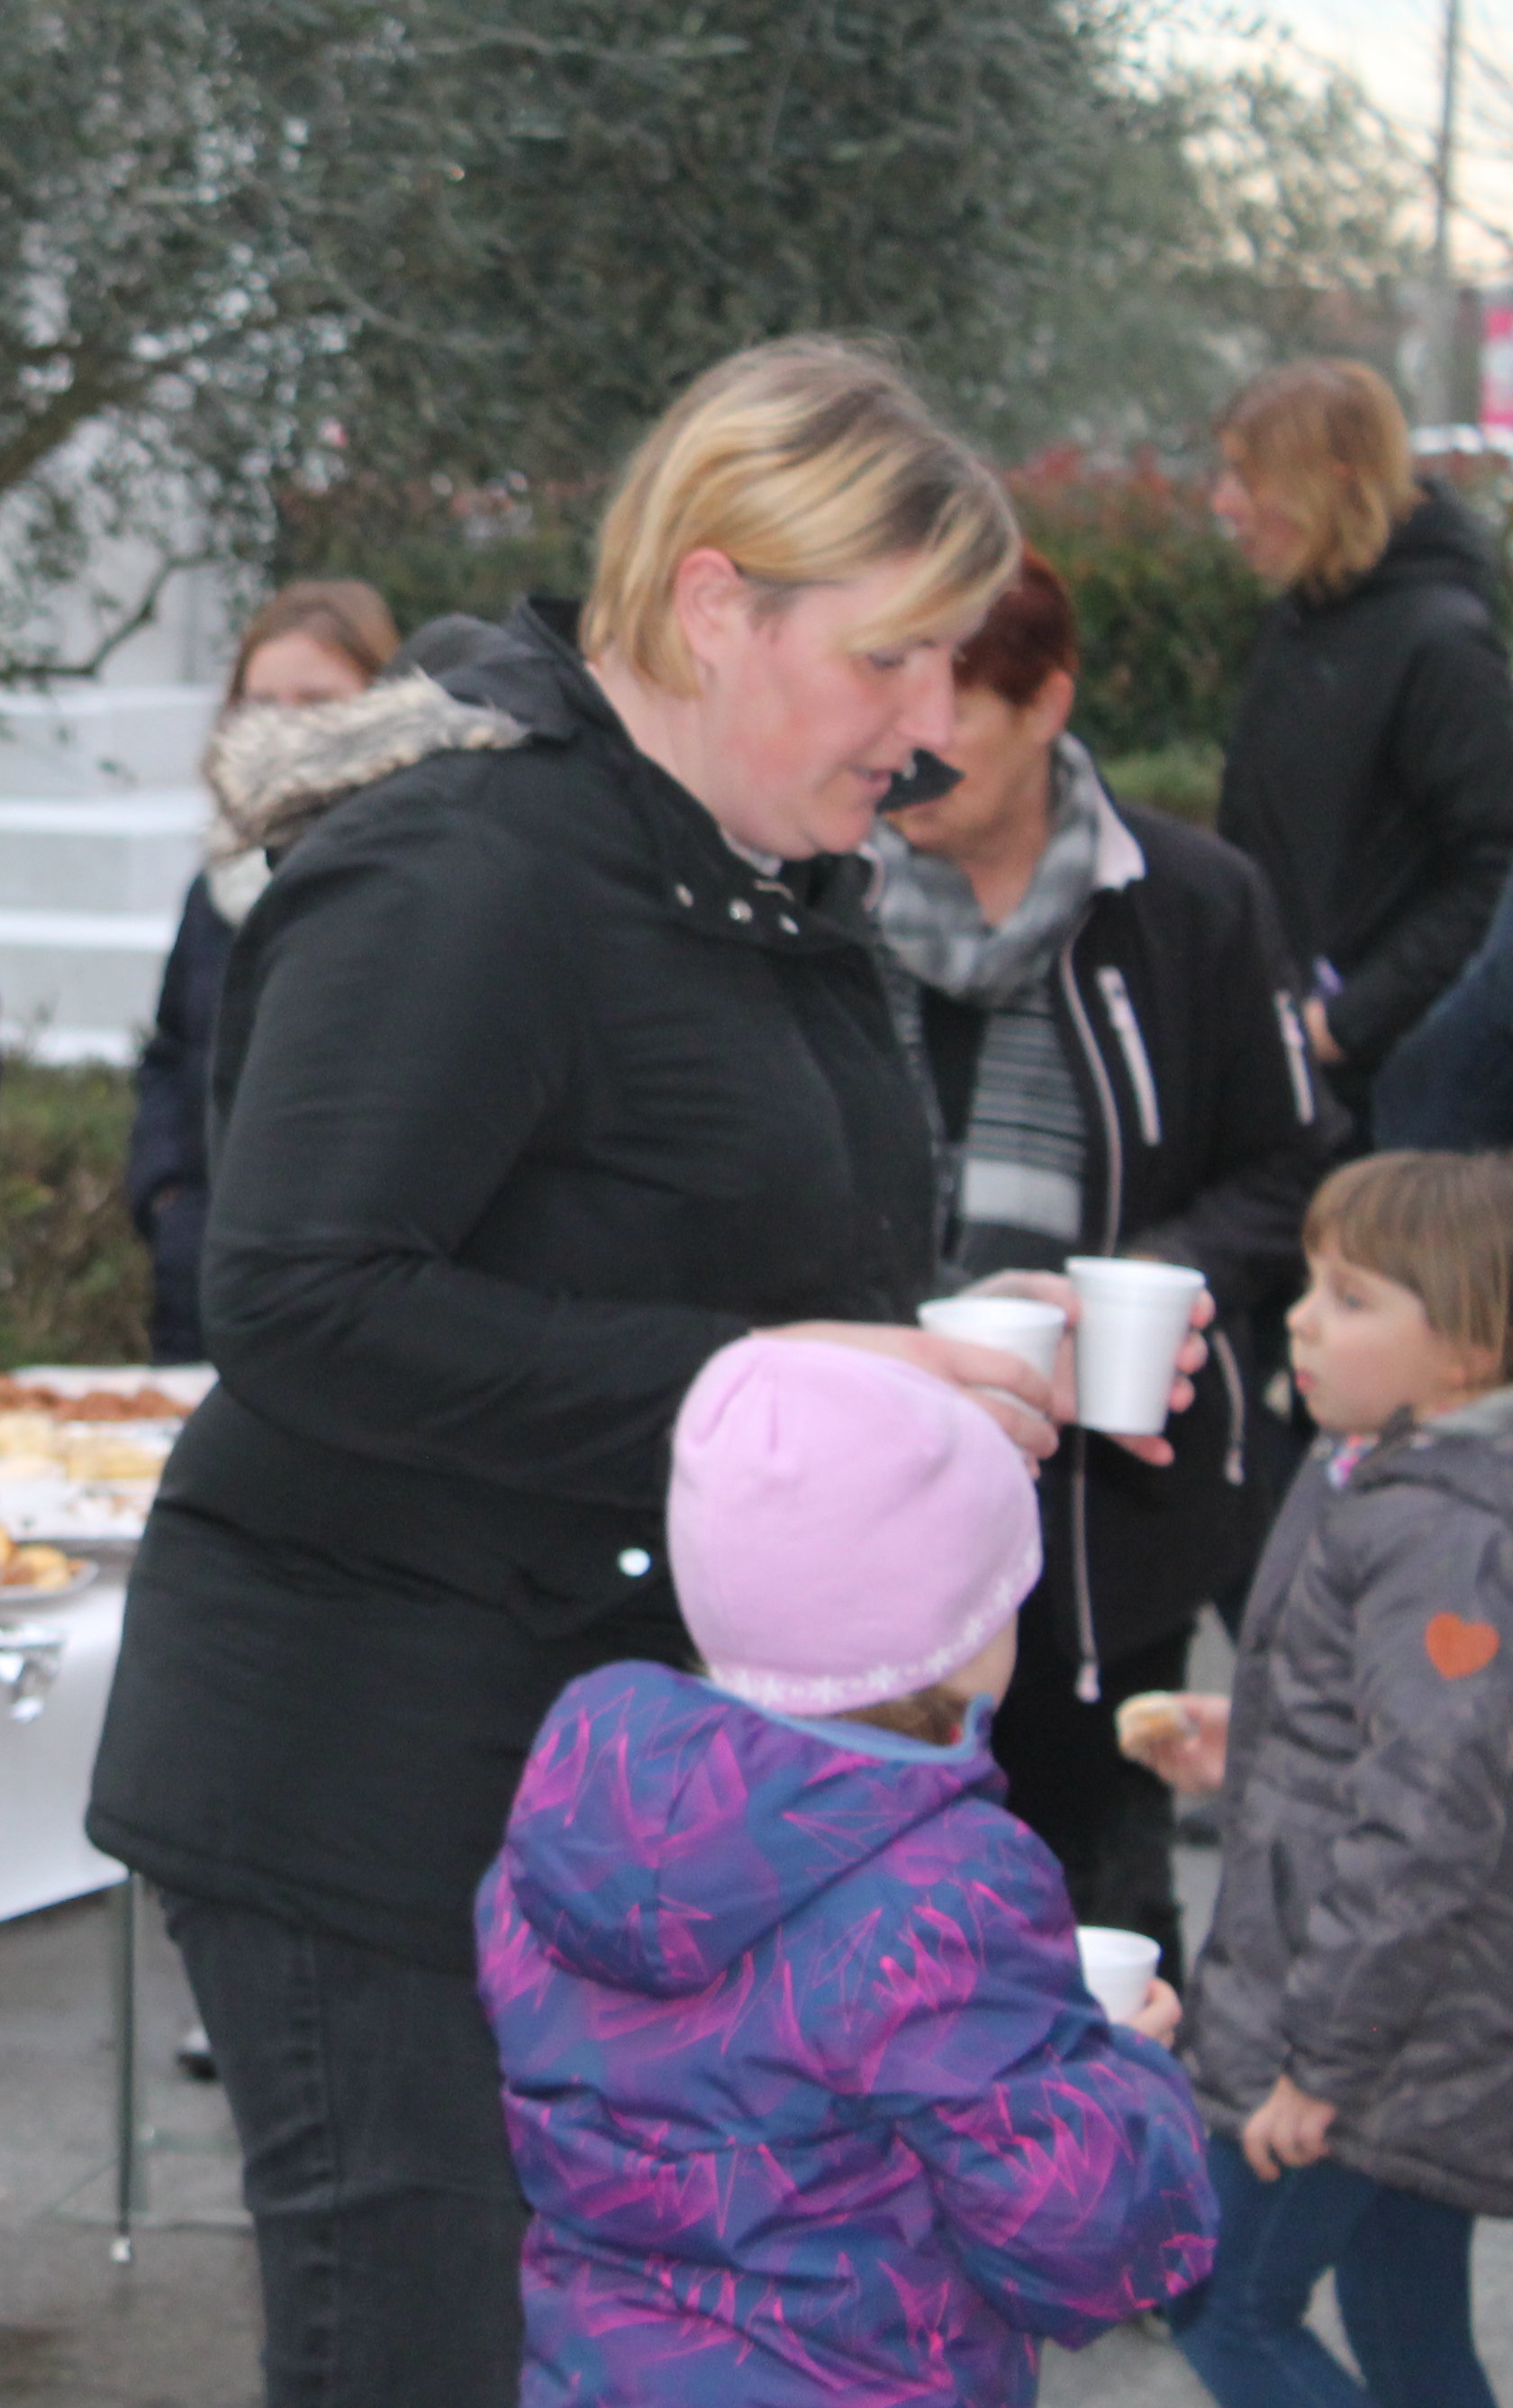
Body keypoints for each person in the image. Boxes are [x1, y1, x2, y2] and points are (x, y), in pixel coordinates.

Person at [86, 337, 1205, 2408]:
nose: (929, 723)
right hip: (370, 1773)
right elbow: (300, 1296)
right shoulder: (465, 868)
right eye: (889, 658)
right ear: (713, 602)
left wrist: (957, 1347)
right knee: (421, 2347)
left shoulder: (754, 874)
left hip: (601, 1772)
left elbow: (701, 1257)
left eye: (950, 663)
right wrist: (758, 1373)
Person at [479, 1336, 1213, 2406]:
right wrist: (1121, 2075)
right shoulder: (949, 1886)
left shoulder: (573, 1817)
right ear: (965, 1632)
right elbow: (1087, 2244)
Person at [867, 548, 1333, 1967]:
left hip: (1104, 1528)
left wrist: (1142, 1279)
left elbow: (1294, 1168)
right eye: (889, 686)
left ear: (1049, 702)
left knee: (1098, 1922)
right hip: (867, 1496)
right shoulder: (820, 895)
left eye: (953, 702)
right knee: (877, 1924)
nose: (906, 739)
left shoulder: (1189, 902)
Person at [1128, 1152, 1513, 2408]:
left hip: (1364, 2031)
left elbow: (1428, 1819)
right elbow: (1403, 1734)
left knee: (1224, 2308)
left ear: (1470, 1346)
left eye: (1352, 1297)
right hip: (1397, 2021)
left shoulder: (1446, 1530)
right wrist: (1253, 1735)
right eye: (1308, 1284)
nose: (1300, 1318)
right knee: (1408, 2328)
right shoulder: (1372, 1463)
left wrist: (1322, 2067)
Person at [1209, 359, 1513, 1124]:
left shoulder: (1442, 648)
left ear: (1333, 480)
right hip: (1283, 1054)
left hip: (1394, 1089)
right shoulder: (1296, 625)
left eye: (1250, 479)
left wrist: (1347, 1022)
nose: (1225, 504)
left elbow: (1493, 871)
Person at [127, 580, 398, 1366]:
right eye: (261, 703)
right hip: (203, 1282)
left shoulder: (417, 884)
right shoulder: (215, 887)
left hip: (356, 1301)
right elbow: (170, 1054)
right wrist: (168, 1200)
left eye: (315, 702)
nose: (283, 728)